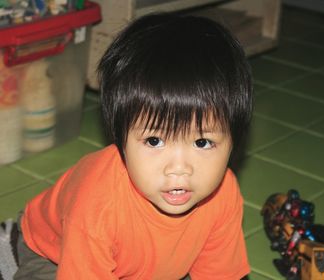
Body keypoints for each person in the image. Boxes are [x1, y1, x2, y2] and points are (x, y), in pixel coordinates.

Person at [15, 12, 253, 280]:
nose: (178, 169)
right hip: (55, 254)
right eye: (154, 141)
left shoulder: (224, 193)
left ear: (234, 140)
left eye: (202, 142)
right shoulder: (97, 206)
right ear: (120, 139)